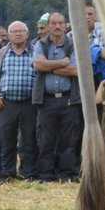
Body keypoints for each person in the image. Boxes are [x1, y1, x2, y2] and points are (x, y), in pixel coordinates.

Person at [0, 20, 39, 182]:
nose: (18, 34)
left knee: (29, 139)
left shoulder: (36, 52)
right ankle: (7, 173)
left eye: (21, 31)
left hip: (30, 103)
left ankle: (28, 172)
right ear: (8, 35)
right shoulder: (0, 54)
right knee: (6, 140)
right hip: (6, 104)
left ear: (28, 34)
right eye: (14, 31)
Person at [31, 11, 83, 182]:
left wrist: (48, 66)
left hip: (69, 99)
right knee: (45, 140)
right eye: (53, 23)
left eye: (61, 23)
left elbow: (75, 70)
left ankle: (66, 174)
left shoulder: (73, 44)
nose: (57, 26)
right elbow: (37, 65)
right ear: (48, 26)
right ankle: (46, 175)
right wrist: (61, 63)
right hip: (46, 100)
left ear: (66, 25)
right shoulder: (41, 44)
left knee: (69, 140)